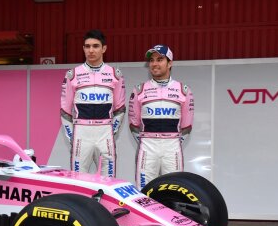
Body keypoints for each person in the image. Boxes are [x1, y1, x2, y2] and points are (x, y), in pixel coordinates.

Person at [60, 29, 126, 177]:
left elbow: (120, 109)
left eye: (95, 46)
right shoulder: (73, 74)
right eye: (87, 46)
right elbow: (65, 111)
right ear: (83, 48)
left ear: (104, 48)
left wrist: (111, 131)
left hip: (105, 132)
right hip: (81, 132)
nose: (91, 50)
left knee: (108, 180)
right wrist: (73, 135)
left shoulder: (115, 74)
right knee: (79, 180)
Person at [128, 44, 194, 188]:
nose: (154, 64)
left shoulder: (183, 90)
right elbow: (133, 124)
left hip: (172, 146)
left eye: (159, 59)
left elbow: (187, 126)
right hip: (147, 145)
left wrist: (174, 142)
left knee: (174, 189)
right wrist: (145, 142)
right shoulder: (139, 90)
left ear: (170, 63)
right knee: (144, 190)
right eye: (151, 60)